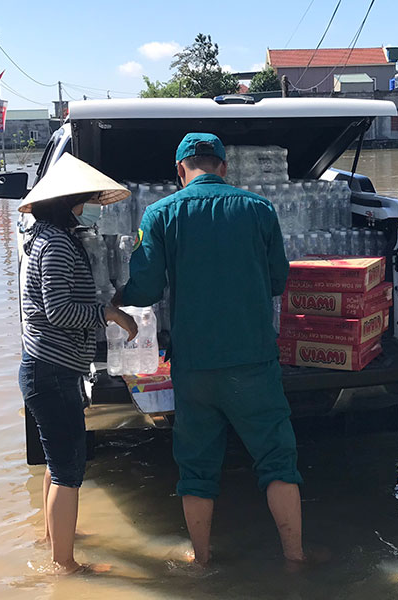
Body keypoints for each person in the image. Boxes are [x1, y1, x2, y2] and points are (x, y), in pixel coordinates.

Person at [114, 133, 304, 566]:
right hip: (253, 361)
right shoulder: (259, 209)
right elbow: (279, 279)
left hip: (195, 366)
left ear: (180, 170)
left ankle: (200, 561)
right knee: (277, 461)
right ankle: (296, 559)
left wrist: (115, 300)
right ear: (224, 167)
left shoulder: (160, 213)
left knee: (197, 468)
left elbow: (145, 289)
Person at [17, 154, 138, 574]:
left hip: (46, 367)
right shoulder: (55, 244)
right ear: (69, 203)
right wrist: (109, 313)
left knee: (57, 463)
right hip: (51, 370)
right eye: (84, 201)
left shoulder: (43, 238)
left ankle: (54, 537)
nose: (87, 208)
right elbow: (59, 311)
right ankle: (65, 565)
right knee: (69, 468)